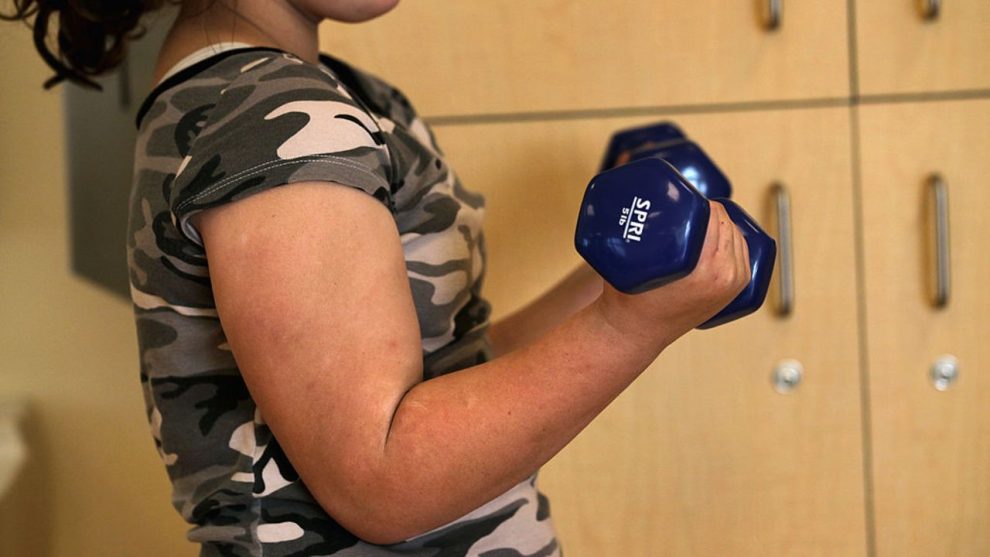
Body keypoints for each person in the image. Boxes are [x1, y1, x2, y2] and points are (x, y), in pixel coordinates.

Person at [3, 0, 750, 554]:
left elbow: (446, 378)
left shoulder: (316, 96)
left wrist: (629, 280)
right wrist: (630, 328)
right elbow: (383, 477)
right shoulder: (267, 121)